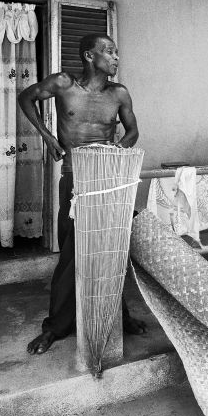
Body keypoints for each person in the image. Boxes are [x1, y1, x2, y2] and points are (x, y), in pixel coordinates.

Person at [18, 34, 146, 355]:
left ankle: (118, 315)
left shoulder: (119, 94)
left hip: (107, 181)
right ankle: (56, 327)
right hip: (75, 178)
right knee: (72, 254)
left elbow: (132, 132)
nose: (116, 57)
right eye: (110, 52)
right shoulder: (63, 84)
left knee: (111, 250)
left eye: (117, 52)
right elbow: (26, 97)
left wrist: (118, 149)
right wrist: (47, 137)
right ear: (90, 56)